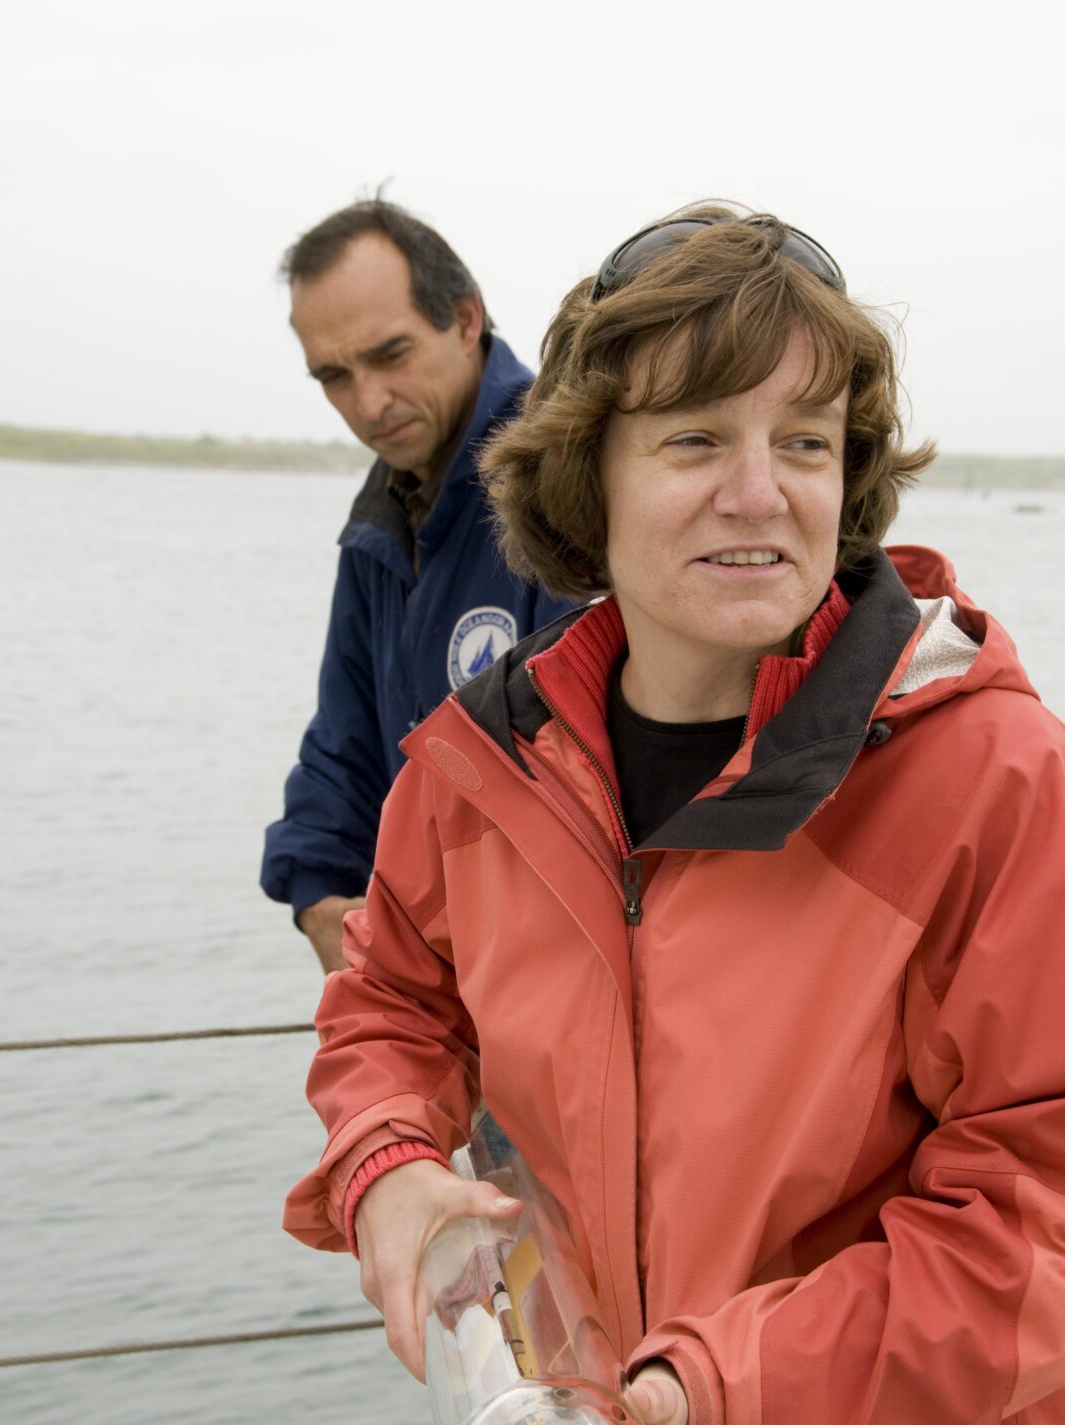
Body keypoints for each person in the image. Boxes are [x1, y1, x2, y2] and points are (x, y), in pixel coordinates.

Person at [283, 205, 1065, 1424]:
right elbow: (391, 999)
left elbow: (1040, 1232)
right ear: (587, 474)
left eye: (806, 443)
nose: (758, 495)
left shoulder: (998, 786)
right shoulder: (476, 768)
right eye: (695, 440)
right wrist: (386, 1156)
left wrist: (716, 1384)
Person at [260, 199, 571, 971]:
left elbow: (591, 787)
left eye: (389, 354)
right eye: (334, 375)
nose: (368, 403)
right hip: (429, 989)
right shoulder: (380, 519)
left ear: (466, 319)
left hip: (550, 993)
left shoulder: (565, 483)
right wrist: (321, 899)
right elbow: (344, 745)